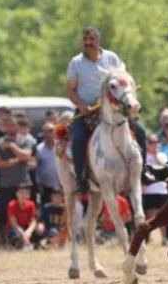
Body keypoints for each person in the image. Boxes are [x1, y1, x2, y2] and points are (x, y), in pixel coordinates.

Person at [65, 27, 149, 195]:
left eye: (91, 40)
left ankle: (143, 172)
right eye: (85, 40)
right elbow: (70, 90)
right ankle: (81, 179)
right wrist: (81, 106)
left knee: (140, 131)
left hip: (113, 108)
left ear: (99, 41)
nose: (88, 43)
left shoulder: (112, 58)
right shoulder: (76, 63)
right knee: (78, 139)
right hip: (87, 110)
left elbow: (123, 80)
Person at [0, 115, 34, 233]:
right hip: (6, 184)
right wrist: (16, 160)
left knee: (26, 213)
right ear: (5, 127)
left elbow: (26, 156)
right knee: (4, 214)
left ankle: (27, 237)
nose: (11, 128)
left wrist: (12, 146)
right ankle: (3, 239)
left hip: (23, 183)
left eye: (14, 125)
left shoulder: (26, 140)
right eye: (9, 125)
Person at [6, 184, 44, 250]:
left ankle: (36, 246)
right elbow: (13, 223)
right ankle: (19, 247)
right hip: (16, 229)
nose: (23, 195)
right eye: (21, 193)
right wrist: (23, 234)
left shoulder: (31, 204)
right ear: (16, 194)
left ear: (29, 195)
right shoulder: (11, 204)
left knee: (40, 229)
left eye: (26, 193)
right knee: (15, 234)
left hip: (27, 227)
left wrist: (28, 232)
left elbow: (33, 221)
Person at [35, 122, 61, 205]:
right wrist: (39, 184)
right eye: (45, 131)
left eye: (50, 131)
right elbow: (36, 168)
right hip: (45, 187)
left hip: (61, 185)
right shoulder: (39, 149)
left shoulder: (60, 147)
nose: (48, 134)